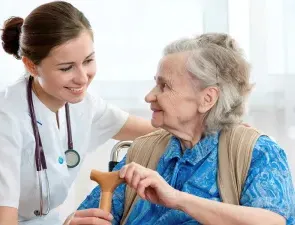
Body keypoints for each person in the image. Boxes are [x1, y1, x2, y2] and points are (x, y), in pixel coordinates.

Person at [0, 1, 155, 225]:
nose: (82, 77)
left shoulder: (82, 104)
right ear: (31, 66)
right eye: (66, 68)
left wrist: (194, 112)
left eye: (88, 61)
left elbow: (153, 130)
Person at [76, 33, 295, 225]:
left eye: (164, 86)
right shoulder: (144, 152)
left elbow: (272, 221)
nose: (149, 96)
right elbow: (90, 216)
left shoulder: (256, 152)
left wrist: (177, 199)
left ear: (207, 99)